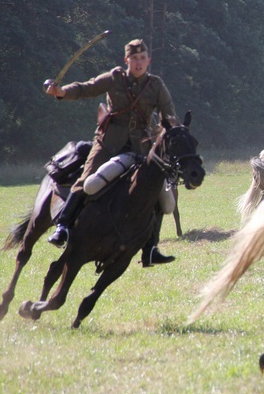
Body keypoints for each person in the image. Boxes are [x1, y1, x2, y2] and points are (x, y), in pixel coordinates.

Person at [44, 39, 179, 267]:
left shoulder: (156, 85)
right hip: (109, 143)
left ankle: (151, 248)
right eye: (134, 59)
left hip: (142, 147)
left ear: (149, 61)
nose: (138, 63)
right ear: (126, 60)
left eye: (142, 59)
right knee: (86, 179)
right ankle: (63, 228)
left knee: (156, 193)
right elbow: (86, 88)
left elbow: (169, 115)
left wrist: (175, 134)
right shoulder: (115, 77)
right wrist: (62, 91)